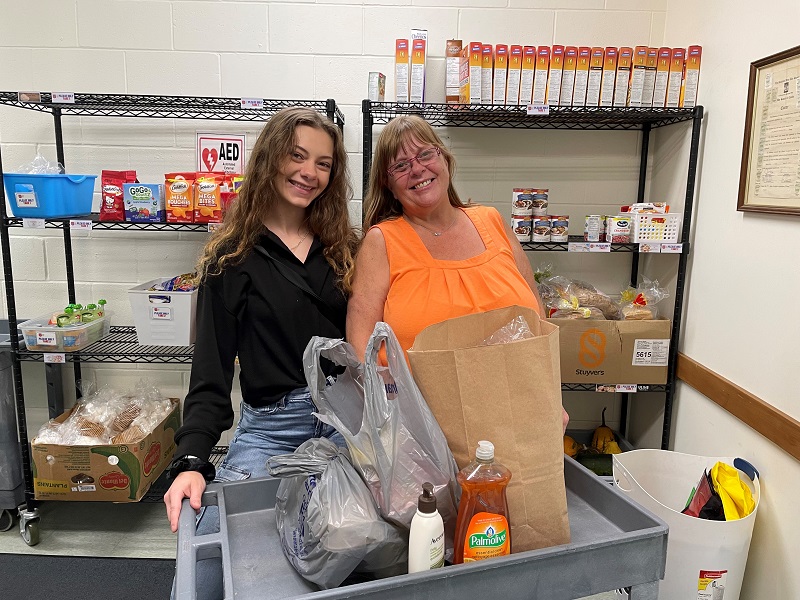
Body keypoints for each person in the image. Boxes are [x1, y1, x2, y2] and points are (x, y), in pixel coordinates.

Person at [163, 107, 358, 598]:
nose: (308, 173)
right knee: (208, 565)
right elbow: (209, 376)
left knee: (356, 560)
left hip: (345, 430)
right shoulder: (231, 259)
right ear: (270, 157)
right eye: (296, 156)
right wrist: (190, 461)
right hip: (271, 433)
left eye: (323, 163)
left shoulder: (343, 250)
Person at [347, 115, 568, 432]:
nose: (418, 169)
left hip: (516, 415)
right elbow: (361, 338)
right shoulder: (382, 241)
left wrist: (551, 394)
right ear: (388, 185)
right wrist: (375, 419)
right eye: (401, 165)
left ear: (445, 160)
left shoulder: (491, 221)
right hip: (420, 431)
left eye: (425, 154)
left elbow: (537, 318)